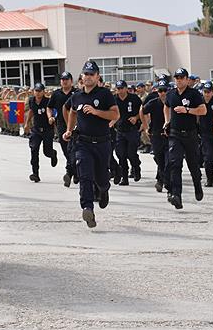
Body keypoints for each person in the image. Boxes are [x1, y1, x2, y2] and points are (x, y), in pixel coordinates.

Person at [61, 61, 119, 228]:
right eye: (85, 74)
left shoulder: (105, 94)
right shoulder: (77, 96)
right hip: (83, 143)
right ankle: (87, 208)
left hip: (102, 143)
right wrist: (69, 130)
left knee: (101, 177)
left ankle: (104, 189)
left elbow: (115, 114)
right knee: (85, 176)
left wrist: (96, 112)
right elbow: (72, 112)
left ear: (97, 76)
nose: (88, 77)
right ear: (82, 76)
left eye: (91, 74)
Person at [163, 68, 207, 209]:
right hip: (175, 134)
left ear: (187, 79)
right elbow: (166, 107)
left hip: (190, 134)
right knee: (175, 164)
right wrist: (167, 121)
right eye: (177, 77)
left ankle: (197, 185)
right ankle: (177, 195)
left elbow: (203, 110)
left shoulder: (194, 94)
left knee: (193, 164)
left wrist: (187, 110)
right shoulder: (171, 94)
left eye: (182, 77)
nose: (179, 80)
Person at [141, 80, 170, 193]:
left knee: (168, 161)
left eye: (165, 90)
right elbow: (142, 111)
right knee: (160, 159)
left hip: (169, 135)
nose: (163, 93)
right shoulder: (153, 103)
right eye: (160, 91)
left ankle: (163, 181)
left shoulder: (173, 101)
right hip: (156, 135)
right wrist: (145, 127)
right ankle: (160, 180)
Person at [25, 83, 57, 182]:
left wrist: (52, 119)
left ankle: (53, 154)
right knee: (34, 150)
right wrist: (27, 123)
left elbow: (53, 111)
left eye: (40, 91)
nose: (38, 93)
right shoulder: (31, 100)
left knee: (47, 152)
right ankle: (35, 173)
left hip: (47, 129)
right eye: (36, 91)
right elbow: (31, 111)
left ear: (43, 92)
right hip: (36, 129)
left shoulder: (48, 101)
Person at [48, 72, 75, 186]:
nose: (64, 81)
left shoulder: (77, 93)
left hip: (75, 125)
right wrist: (50, 116)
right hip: (61, 125)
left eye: (67, 79)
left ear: (71, 81)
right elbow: (49, 107)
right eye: (63, 79)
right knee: (66, 149)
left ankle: (69, 172)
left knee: (74, 149)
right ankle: (73, 170)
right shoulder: (56, 94)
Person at [113, 80, 142, 185]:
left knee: (131, 154)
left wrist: (136, 117)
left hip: (132, 130)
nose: (120, 91)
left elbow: (142, 111)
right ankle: (124, 178)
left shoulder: (134, 98)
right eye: (118, 89)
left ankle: (136, 167)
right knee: (121, 155)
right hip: (120, 131)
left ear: (126, 88)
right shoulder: (114, 99)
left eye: (122, 88)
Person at [198, 82, 213, 187]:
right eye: (205, 92)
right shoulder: (199, 101)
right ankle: (209, 180)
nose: (207, 94)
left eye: (209, 92)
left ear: (212, 92)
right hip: (205, 134)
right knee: (208, 158)